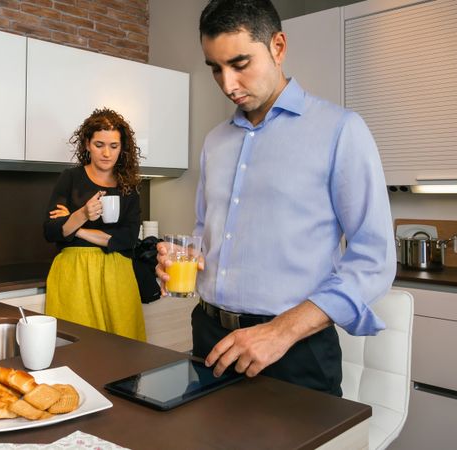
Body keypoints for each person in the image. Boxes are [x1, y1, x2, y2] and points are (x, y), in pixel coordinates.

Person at [156, 0, 396, 396]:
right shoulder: (215, 141)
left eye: (240, 63)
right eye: (215, 68)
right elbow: (206, 230)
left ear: (278, 47)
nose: (228, 84)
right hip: (209, 337)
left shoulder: (341, 130)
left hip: (294, 352)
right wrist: (188, 258)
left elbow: (374, 259)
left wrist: (280, 332)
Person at [43, 108, 146, 341]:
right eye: (99, 145)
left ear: (122, 148)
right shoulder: (70, 178)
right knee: (77, 347)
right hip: (74, 273)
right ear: (87, 144)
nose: (107, 153)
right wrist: (83, 213)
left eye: (114, 146)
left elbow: (128, 238)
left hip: (117, 274)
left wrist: (76, 227)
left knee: (123, 349)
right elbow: (50, 231)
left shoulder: (128, 185)